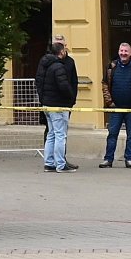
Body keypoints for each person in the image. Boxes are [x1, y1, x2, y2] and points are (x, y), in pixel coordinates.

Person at [101, 41, 131, 168]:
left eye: (126, 51)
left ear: (130, 53)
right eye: (121, 51)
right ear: (118, 52)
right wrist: (109, 102)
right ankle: (108, 159)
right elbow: (105, 85)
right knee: (112, 134)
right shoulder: (111, 67)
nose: (123, 53)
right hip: (115, 108)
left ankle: (129, 159)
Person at [35, 36, 79, 172]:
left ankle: (49, 163)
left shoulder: (45, 63)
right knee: (60, 134)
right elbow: (64, 86)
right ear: (61, 52)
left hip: (47, 103)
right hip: (58, 105)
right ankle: (60, 164)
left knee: (52, 134)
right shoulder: (58, 66)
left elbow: (39, 82)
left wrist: (43, 99)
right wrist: (70, 97)